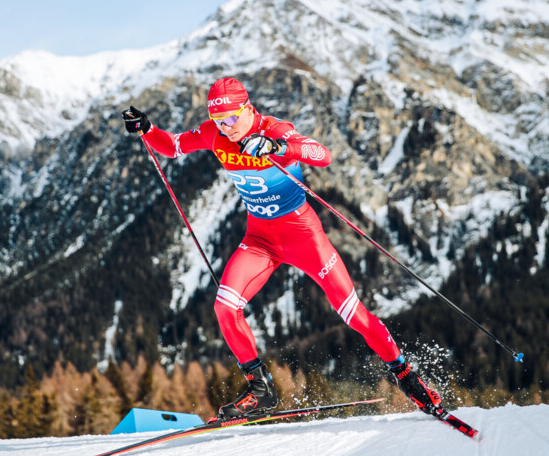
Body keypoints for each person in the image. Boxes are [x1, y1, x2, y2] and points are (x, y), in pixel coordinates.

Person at [122, 77, 445, 420]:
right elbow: (172, 146)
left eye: (231, 118)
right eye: (218, 121)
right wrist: (147, 128)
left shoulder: (275, 129)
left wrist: (277, 148)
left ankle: (408, 378)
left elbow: (321, 154)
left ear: (247, 109)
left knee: (354, 314)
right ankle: (260, 388)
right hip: (259, 239)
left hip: (303, 236)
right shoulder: (214, 134)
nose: (225, 128)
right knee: (225, 308)